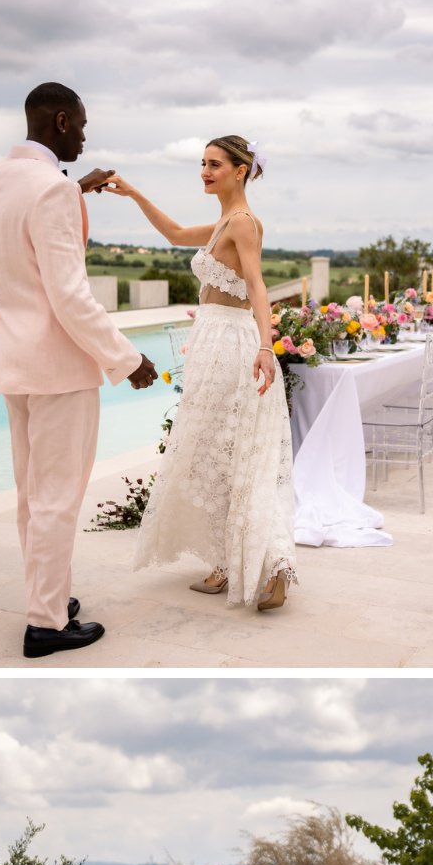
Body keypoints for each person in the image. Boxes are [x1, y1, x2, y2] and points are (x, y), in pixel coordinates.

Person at [0, 83, 158, 658]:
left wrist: (75, 189)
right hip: (60, 368)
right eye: (84, 125)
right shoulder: (53, 191)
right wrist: (127, 357)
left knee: (31, 494)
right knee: (57, 498)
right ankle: (46, 623)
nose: (88, 136)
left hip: (14, 358)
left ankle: (49, 594)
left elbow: (33, 213)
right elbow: (71, 298)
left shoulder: (0, 176)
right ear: (62, 121)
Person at [102, 135, 296, 611]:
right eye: (202, 164)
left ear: (240, 170)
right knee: (213, 451)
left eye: (214, 164)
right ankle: (226, 559)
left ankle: (264, 565)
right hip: (211, 343)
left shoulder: (244, 223)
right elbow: (172, 234)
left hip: (232, 343)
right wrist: (135, 195)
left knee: (232, 453)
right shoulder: (223, 223)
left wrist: (266, 348)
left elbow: (256, 285)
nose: (205, 171)